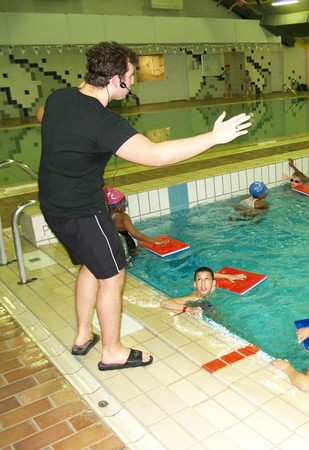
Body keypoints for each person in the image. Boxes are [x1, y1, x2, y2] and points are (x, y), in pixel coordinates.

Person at [38, 42, 251, 371]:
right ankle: (112, 351)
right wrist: (213, 137)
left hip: (53, 203)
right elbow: (155, 155)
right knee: (113, 275)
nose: (133, 81)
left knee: (91, 266)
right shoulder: (102, 121)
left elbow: (43, 116)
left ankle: (83, 335)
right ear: (114, 80)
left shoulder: (59, 98)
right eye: (130, 76)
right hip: (82, 210)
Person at [160, 267, 245, 318]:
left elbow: (211, 274)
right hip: (199, 303)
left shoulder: (212, 287)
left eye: (207, 279)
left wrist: (229, 276)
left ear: (213, 282)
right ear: (195, 284)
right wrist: (189, 309)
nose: (203, 283)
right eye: (199, 280)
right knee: (215, 313)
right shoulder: (194, 297)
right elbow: (164, 303)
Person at [105, 188, 166, 254]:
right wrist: (152, 241)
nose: (126, 206)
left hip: (116, 246)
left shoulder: (105, 215)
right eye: (125, 203)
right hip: (128, 246)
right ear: (119, 207)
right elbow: (135, 234)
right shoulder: (123, 217)